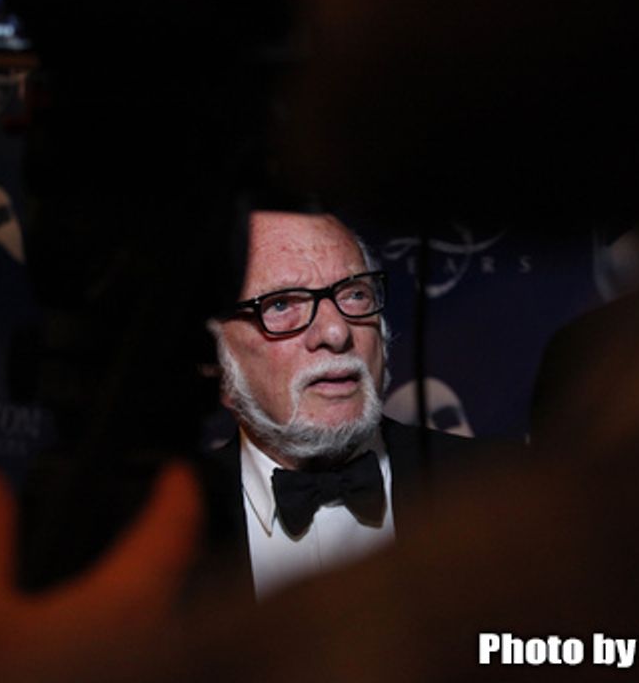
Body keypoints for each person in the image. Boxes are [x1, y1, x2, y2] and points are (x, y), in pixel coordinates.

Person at [201, 209, 471, 600]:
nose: (336, 331)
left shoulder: (497, 484)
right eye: (280, 305)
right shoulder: (161, 537)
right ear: (215, 357)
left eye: (354, 295)